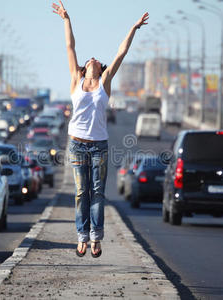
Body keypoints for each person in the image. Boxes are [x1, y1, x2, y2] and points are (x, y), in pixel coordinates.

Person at [52, 1, 149, 258]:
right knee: (81, 192)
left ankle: (96, 237)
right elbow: (70, 47)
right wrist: (66, 19)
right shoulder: (76, 78)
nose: (95, 59)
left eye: (97, 59)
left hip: (99, 146)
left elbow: (120, 54)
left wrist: (134, 28)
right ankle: (81, 236)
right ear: (85, 68)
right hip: (77, 143)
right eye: (91, 59)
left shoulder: (105, 83)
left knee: (97, 192)